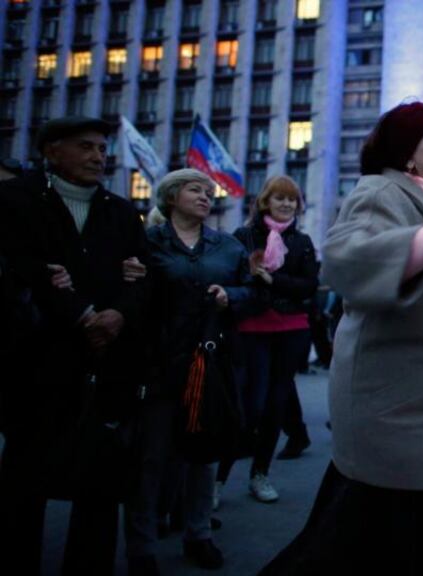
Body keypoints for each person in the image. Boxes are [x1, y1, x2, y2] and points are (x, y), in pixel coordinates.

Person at [260, 102, 423, 575]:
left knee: (358, 543)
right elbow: (348, 262)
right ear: (407, 156)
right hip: (404, 414)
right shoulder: (382, 193)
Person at [0, 117, 148, 576]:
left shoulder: (122, 212)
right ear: (52, 151)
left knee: (99, 485)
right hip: (36, 366)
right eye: (85, 146)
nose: (98, 156)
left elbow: (143, 275)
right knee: (25, 482)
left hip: (104, 369)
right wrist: (82, 313)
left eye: (102, 148)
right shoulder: (14, 201)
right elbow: (20, 271)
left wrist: (119, 312)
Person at [124, 169, 252, 573]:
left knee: (203, 456)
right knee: (151, 459)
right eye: (196, 189)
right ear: (171, 196)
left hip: (207, 366)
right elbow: (130, 294)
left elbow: (253, 292)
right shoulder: (147, 243)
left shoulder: (228, 247)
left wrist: (229, 295)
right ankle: (140, 547)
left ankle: (199, 535)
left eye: (209, 192)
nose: (205, 196)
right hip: (158, 366)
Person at [216, 176, 318, 504]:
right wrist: (253, 276)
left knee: (276, 406)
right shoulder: (244, 236)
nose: (287, 205)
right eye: (280, 199)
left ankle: (260, 474)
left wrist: (274, 279)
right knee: (250, 406)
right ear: (265, 202)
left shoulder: (302, 241)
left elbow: (308, 286)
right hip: (253, 327)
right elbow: (231, 276)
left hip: (292, 327)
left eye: (292, 200)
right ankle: (216, 481)